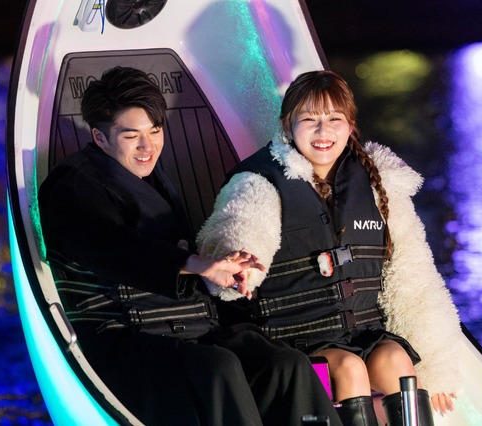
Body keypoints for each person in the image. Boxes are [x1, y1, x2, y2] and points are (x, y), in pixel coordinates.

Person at [38, 66, 341, 425]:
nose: (148, 146)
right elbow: (112, 246)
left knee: (285, 364)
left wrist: (225, 265)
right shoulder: (73, 186)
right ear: (100, 138)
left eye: (155, 131)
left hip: (190, 328)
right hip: (122, 336)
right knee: (218, 366)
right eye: (131, 136)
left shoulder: (151, 178)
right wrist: (195, 263)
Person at [196, 70, 463, 425]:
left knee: (396, 360)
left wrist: (437, 366)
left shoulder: (379, 183)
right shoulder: (257, 182)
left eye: (334, 119)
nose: (323, 132)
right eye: (310, 120)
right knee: (350, 368)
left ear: (350, 126)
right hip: (296, 335)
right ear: (287, 125)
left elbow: (414, 278)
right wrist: (236, 264)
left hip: (363, 331)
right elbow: (242, 226)